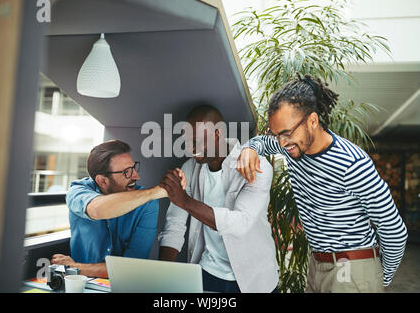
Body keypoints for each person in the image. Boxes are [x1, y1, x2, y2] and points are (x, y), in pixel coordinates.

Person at [236, 74, 408, 292]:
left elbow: (394, 230)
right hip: (317, 264)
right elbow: (262, 142)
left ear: (313, 121)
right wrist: (249, 149)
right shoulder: (291, 147)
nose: (281, 142)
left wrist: (378, 279)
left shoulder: (353, 164)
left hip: (352, 267)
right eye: (277, 134)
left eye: (286, 133)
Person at [158, 105, 279, 293]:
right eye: (187, 141)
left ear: (218, 134)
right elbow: (174, 225)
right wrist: (160, 277)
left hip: (254, 279)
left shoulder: (256, 166)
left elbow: (240, 224)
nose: (190, 148)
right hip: (207, 272)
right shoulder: (189, 168)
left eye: (196, 140)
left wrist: (183, 200)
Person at [51, 140, 185, 278]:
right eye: (127, 172)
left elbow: (131, 267)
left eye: (133, 168)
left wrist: (76, 267)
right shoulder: (78, 191)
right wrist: (155, 192)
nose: (136, 176)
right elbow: (97, 210)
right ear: (102, 181)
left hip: (121, 285)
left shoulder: (147, 203)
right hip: (79, 283)